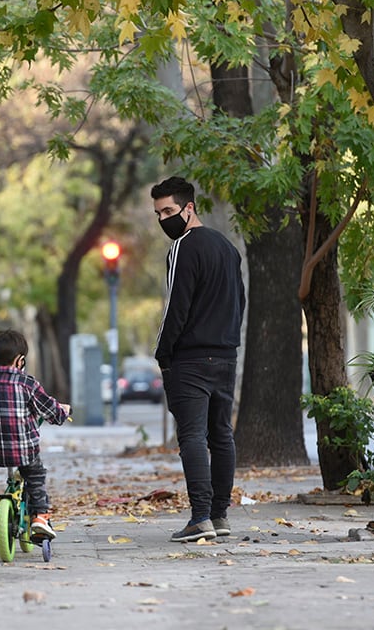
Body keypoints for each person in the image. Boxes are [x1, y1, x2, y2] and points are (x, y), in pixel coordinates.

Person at [151, 176, 246, 543]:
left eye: (169, 211)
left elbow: (176, 307)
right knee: (221, 435)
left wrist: (163, 354)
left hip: (190, 360)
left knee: (192, 436)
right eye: (158, 213)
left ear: (189, 208)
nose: (163, 220)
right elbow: (240, 300)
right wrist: (230, 341)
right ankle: (220, 516)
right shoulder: (227, 248)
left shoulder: (183, 248)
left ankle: (201, 517)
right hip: (225, 355)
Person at [0, 329, 71, 539]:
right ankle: (39, 517)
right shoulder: (28, 384)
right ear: (20, 361)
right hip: (24, 451)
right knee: (35, 476)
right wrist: (63, 412)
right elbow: (51, 412)